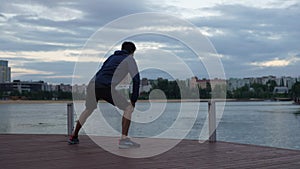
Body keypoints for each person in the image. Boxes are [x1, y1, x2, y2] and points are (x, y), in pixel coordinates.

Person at [68, 41, 140, 149]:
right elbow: (136, 79)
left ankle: (74, 136)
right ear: (132, 52)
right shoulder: (129, 59)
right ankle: (124, 140)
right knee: (128, 108)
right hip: (105, 86)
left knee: (88, 109)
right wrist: (133, 100)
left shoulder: (111, 57)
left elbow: (104, 71)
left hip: (92, 84)